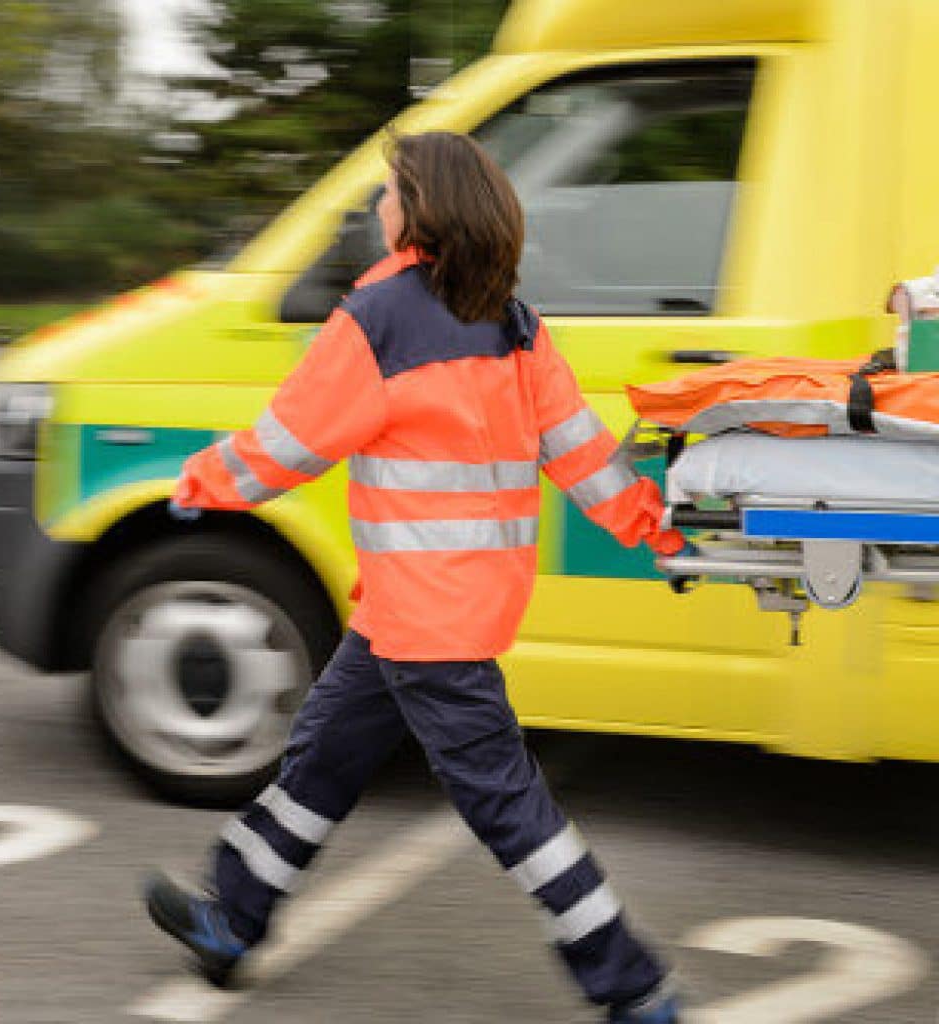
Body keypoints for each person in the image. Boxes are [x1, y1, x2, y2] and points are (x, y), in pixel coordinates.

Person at [144, 131, 685, 1024]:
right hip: (426, 609)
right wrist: (649, 525)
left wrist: (198, 481)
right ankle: (231, 919)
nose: (379, 205)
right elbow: (582, 452)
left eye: (390, 190)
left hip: (429, 625)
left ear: (421, 209)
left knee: (511, 811)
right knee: (324, 753)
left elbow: (287, 447)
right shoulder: (514, 321)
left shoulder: (377, 320)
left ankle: (633, 987)